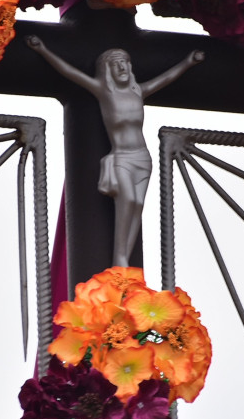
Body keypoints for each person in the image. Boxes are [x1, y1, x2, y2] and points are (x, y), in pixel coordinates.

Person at [27, 35, 204, 266]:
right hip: (122, 157)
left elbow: (166, 78)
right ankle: (119, 258)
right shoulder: (104, 91)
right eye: (116, 63)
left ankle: (123, 259)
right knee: (127, 200)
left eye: (125, 62)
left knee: (138, 205)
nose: (122, 67)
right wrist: (43, 50)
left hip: (143, 157)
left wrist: (189, 62)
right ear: (107, 70)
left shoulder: (138, 91)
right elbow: (70, 72)